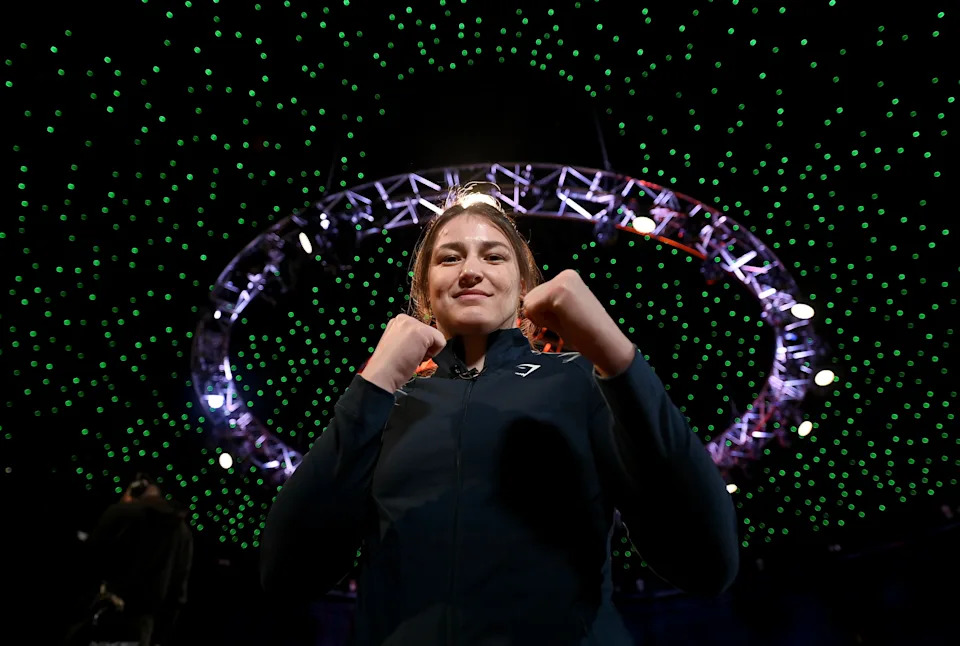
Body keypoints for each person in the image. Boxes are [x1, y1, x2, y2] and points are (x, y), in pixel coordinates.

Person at [261, 184, 739, 645]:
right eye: (450, 257)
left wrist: (615, 355)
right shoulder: (387, 402)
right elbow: (286, 574)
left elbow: (706, 564)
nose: (471, 271)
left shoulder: (581, 383)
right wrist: (373, 383)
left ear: (523, 289)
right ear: (426, 293)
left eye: (494, 256)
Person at [67, 475, 193, 646]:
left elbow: (85, 565)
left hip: (98, 615)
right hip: (139, 629)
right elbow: (177, 594)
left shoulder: (119, 513)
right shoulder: (181, 531)